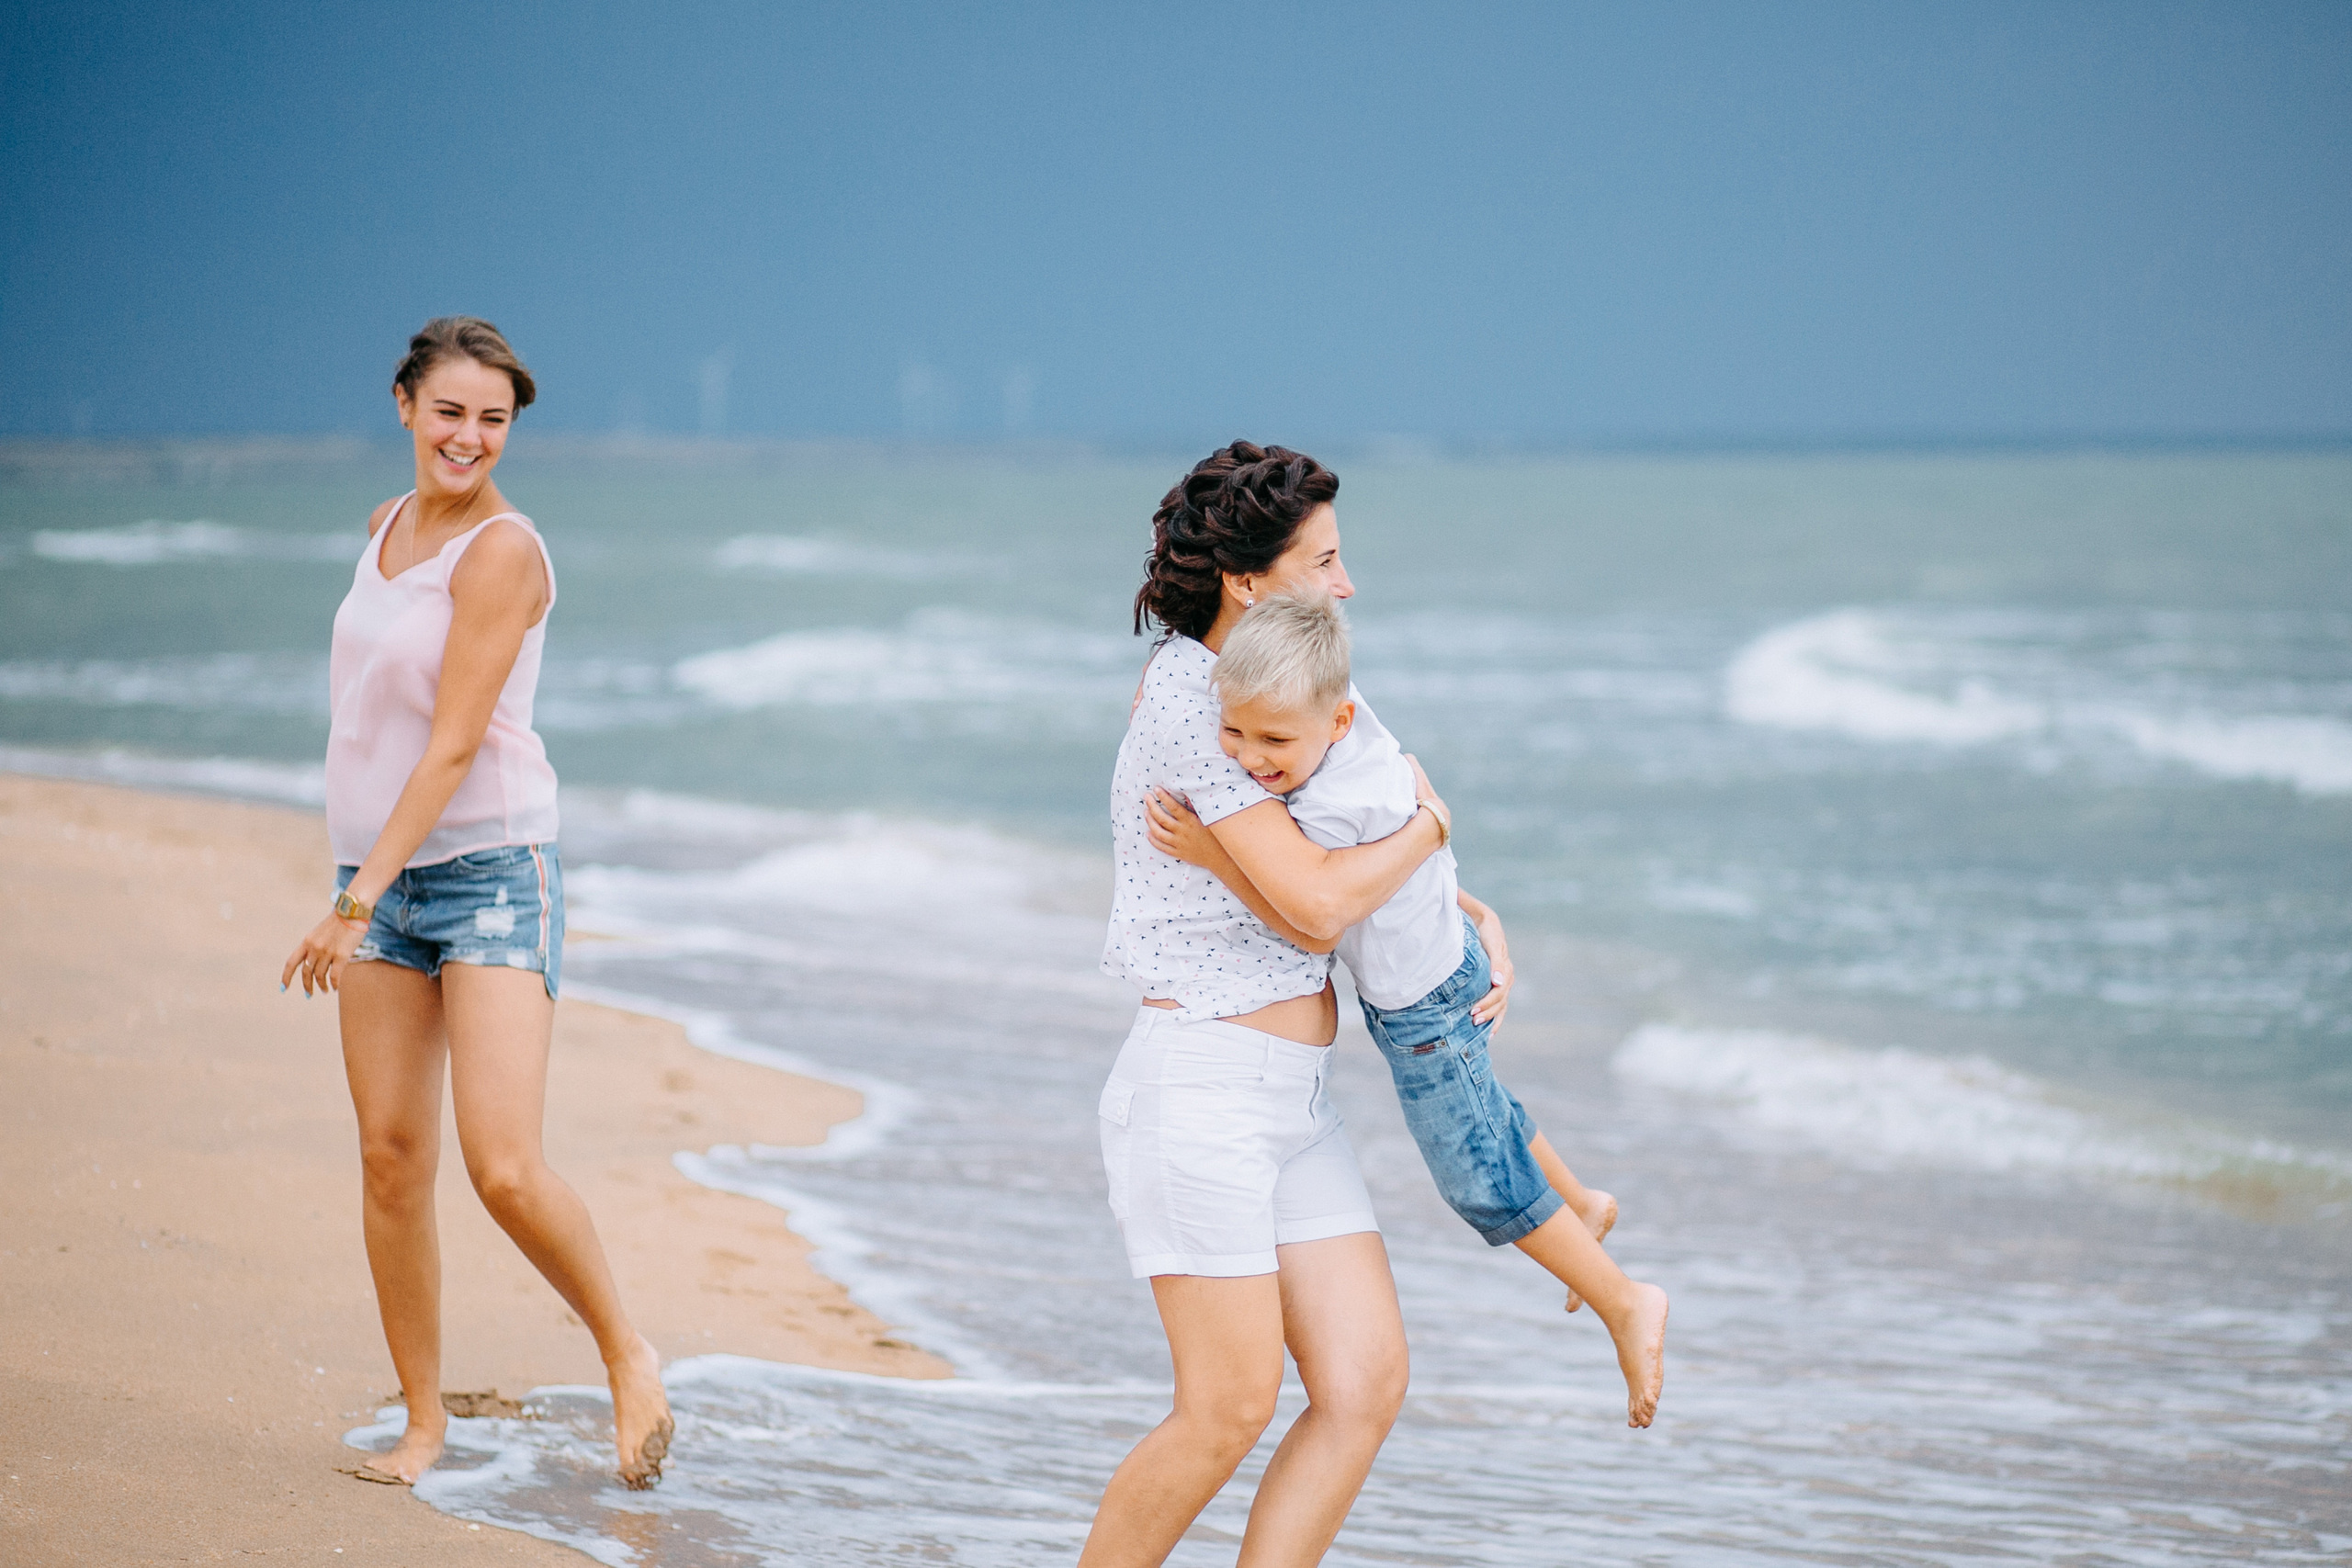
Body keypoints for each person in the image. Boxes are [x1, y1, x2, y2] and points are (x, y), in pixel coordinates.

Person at [280, 317, 673, 1490]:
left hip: (491, 873)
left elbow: (452, 749)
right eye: (450, 411)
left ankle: (626, 1353)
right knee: (392, 1159)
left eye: (493, 419)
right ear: (404, 405)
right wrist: (361, 889)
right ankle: (422, 1422)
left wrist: (355, 901)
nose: (470, 436)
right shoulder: (385, 529)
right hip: (378, 881)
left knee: (502, 1167)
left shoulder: (502, 553)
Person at [1149, 591, 1669, 1427]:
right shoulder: (1363, 746)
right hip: (1440, 969)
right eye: (1234, 732)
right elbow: (1416, 845)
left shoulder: (1327, 804)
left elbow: (1310, 913)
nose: (1250, 758)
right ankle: (1581, 1201)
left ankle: (1623, 1299)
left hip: (1423, 1008)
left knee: (1478, 1176)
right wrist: (1473, 910)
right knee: (1487, 1105)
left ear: (1338, 719)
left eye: (1274, 740)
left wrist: (1216, 852)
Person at [1087, 443, 1450, 1566]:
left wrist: (1459, 900)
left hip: (1289, 1100)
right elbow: (1313, 907)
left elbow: (1330, 854)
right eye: (1325, 560)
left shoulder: (1261, 691)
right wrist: (1433, 827)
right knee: (1227, 1405)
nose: (1344, 584)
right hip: (1201, 1085)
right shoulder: (1205, 702)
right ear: (1248, 581)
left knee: (1360, 1382)